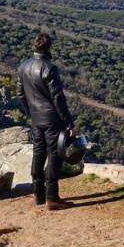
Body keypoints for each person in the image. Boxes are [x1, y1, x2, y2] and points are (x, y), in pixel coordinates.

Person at [17, 33, 75, 211]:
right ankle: (52, 198)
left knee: (38, 153)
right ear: (49, 47)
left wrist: (31, 114)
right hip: (52, 119)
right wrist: (68, 122)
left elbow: (20, 95)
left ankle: (38, 194)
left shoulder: (23, 66)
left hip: (36, 118)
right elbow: (58, 98)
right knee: (54, 156)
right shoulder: (49, 68)